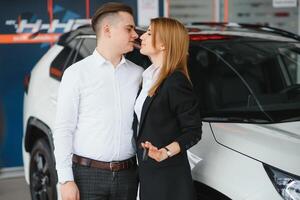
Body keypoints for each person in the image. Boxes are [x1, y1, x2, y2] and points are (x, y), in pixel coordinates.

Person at [53, 2, 143, 200]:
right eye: (129, 28)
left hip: (129, 175)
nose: (135, 35)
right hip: (87, 176)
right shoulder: (76, 74)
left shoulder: (138, 74)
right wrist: (66, 180)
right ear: (107, 30)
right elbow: (63, 129)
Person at [133, 17, 202, 200]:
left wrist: (166, 152)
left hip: (168, 180)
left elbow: (193, 131)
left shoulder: (175, 81)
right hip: (147, 174)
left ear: (163, 44)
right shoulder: (149, 77)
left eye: (149, 33)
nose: (142, 37)